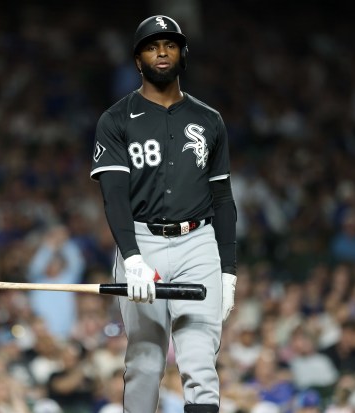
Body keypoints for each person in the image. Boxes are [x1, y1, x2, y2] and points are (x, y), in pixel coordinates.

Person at [89, 15, 238, 413]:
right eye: (151, 46)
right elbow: (114, 197)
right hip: (143, 240)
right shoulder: (115, 120)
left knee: (200, 361)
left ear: (182, 54)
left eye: (169, 45)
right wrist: (133, 259)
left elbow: (223, 199)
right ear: (137, 60)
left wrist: (228, 270)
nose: (161, 52)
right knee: (145, 362)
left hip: (198, 242)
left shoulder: (209, 120)